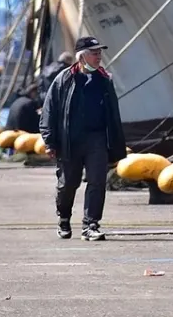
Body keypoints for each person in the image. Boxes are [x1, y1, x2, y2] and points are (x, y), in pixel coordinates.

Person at [39, 37, 126, 241]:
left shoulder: (104, 80)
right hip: (70, 140)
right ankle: (64, 218)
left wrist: (116, 146)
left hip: (97, 139)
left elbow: (113, 114)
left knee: (97, 181)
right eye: (94, 53)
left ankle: (91, 224)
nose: (99, 57)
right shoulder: (63, 79)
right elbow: (49, 112)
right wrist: (50, 141)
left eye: (99, 53)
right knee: (68, 183)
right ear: (82, 57)